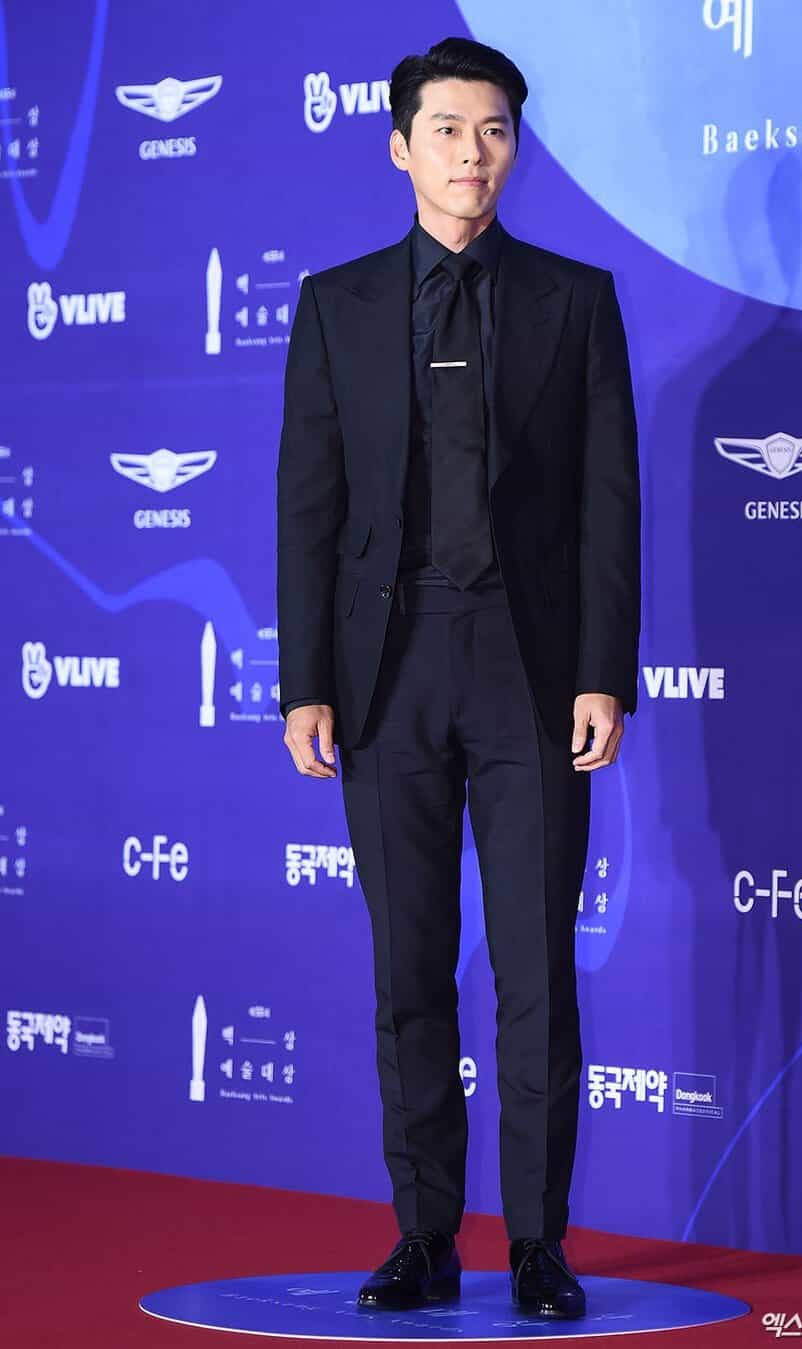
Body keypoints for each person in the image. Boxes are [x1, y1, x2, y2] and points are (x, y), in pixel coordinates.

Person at [276, 35, 640, 1320]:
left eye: (493, 130)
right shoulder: (337, 305)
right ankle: (424, 1236)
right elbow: (308, 507)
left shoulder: (575, 300)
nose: (471, 153)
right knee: (409, 970)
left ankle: (538, 1243)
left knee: (536, 969)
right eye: (446, 129)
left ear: (513, 147)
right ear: (400, 146)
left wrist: (603, 670)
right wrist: (305, 682)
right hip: (387, 670)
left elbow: (609, 505)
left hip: (530, 667)